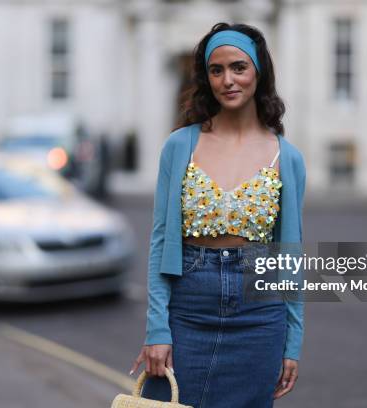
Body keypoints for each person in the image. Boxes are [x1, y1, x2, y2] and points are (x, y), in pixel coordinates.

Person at [129, 23, 306, 407]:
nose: (228, 80)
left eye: (239, 67)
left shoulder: (286, 157)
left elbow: (289, 256)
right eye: (216, 70)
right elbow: (161, 241)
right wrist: (157, 329)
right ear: (206, 77)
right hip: (188, 305)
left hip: (260, 315)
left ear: (259, 72)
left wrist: (293, 341)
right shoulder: (180, 145)